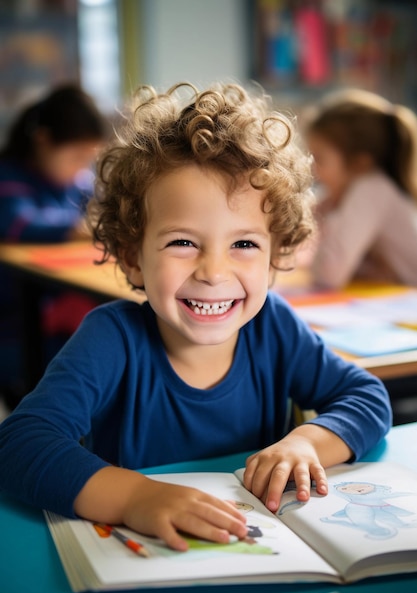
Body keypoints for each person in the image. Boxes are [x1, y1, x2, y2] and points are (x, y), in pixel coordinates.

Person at [0, 82, 391, 551]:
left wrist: (307, 442)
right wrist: (134, 498)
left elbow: (365, 396)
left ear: (273, 259)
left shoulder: (274, 327)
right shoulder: (112, 338)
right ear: (131, 256)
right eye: (183, 242)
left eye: (243, 244)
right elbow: (20, 444)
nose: (213, 272)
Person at [0, 84, 109, 406]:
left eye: (88, 160)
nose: (81, 167)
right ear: (44, 141)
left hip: (66, 304)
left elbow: (105, 210)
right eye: (76, 156)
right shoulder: (9, 176)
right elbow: (18, 225)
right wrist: (78, 228)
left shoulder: (77, 183)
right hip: (18, 318)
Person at [304, 88, 417, 288]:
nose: (312, 169)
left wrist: (333, 217)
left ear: (360, 164)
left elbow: (327, 276)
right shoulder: (365, 189)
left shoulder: (371, 190)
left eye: (319, 159)